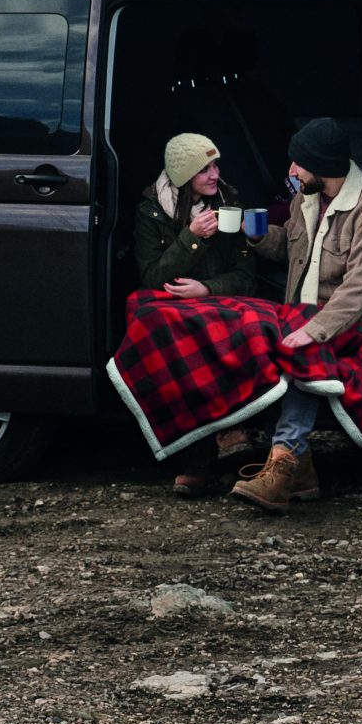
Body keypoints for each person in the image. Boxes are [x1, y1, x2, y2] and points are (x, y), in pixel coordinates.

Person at [234, 116, 362, 513]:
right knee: (258, 344)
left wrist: (315, 329)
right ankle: (300, 470)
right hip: (299, 315)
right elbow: (292, 247)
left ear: (322, 166)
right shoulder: (305, 197)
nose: (292, 171)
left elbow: (361, 285)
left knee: (300, 354)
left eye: (298, 163)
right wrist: (258, 236)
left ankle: (283, 466)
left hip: (347, 326)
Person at [133, 132, 266, 494]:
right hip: (173, 305)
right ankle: (199, 454)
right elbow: (152, 277)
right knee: (173, 340)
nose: (215, 175)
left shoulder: (230, 205)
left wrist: (207, 288)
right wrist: (191, 237)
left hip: (217, 301)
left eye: (216, 165)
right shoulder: (150, 212)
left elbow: (246, 275)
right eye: (205, 168)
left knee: (233, 330)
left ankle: (225, 435)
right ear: (184, 174)